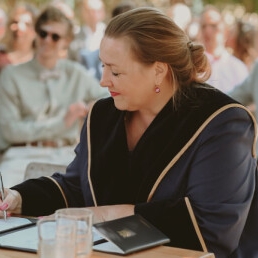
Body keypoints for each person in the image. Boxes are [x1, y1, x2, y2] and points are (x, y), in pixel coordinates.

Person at [1, 7, 258, 258]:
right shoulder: (104, 114)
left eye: (115, 71)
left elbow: (211, 229)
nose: (103, 80)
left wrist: (103, 215)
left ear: (158, 70)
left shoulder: (221, 121)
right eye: (102, 66)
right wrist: (18, 197)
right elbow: (77, 187)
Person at [0, 6, 108, 187]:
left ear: (66, 41)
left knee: (96, 193)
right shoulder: (11, 75)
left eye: (55, 36)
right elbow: (9, 130)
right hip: (20, 156)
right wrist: (62, 123)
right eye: (43, 33)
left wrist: (92, 106)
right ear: (36, 33)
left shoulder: (77, 74)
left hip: (66, 156)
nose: (47, 40)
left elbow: (109, 98)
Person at [199, 5, 249, 94]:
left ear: (225, 30)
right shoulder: (193, 67)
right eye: (203, 26)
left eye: (213, 25)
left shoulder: (238, 67)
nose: (207, 31)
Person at [0, 3, 39, 72]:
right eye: (15, 22)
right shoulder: (2, 56)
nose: (20, 27)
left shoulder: (40, 60)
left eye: (27, 24)